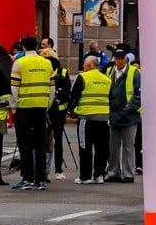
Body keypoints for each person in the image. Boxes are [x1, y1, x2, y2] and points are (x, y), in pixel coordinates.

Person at [9, 36, 55, 190]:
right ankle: (41, 179)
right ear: (36, 47)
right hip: (41, 108)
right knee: (40, 144)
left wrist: (15, 108)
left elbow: (14, 89)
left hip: (24, 108)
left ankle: (27, 178)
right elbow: (52, 89)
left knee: (25, 144)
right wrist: (46, 105)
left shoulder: (19, 63)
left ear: (23, 48)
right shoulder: (47, 63)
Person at [69, 55, 111, 184]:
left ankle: (85, 176)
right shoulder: (107, 79)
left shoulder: (82, 77)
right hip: (104, 118)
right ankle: (99, 175)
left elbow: (74, 96)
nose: (83, 66)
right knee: (102, 148)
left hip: (86, 119)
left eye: (84, 64)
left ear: (88, 65)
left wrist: (71, 111)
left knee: (85, 147)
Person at [106, 44, 141, 183]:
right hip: (114, 114)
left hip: (129, 115)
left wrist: (130, 107)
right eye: (117, 58)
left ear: (126, 58)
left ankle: (128, 174)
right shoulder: (110, 71)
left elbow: (139, 93)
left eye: (121, 58)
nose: (119, 60)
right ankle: (114, 172)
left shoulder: (134, 72)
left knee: (128, 146)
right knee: (113, 146)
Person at [40, 47, 71, 180]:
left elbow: (67, 90)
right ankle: (45, 170)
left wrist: (60, 99)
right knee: (46, 140)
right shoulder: (43, 70)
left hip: (58, 110)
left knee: (57, 140)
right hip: (46, 108)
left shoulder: (63, 72)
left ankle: (58, 169)